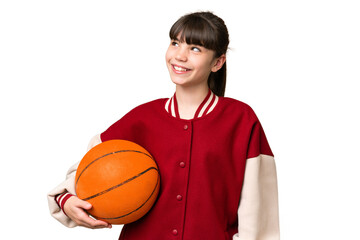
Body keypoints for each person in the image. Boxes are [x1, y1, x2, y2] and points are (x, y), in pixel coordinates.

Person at [48, 11, 280, 240]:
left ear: (218, 62)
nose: (180, 55)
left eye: (195, 48)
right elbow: (89, 170)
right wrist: (66, 200)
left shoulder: (241, 119)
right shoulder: (142, 118)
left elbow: (258, 215)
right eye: (175, 43)